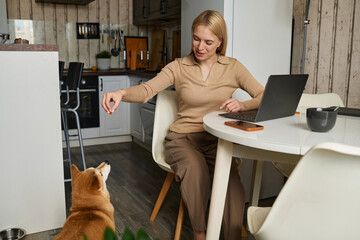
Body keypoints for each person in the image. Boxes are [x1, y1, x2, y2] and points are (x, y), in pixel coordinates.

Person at [102, 10, 264, 240]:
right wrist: (121, 92)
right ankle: (200, 233)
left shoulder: (233, 67)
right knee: (195, 171)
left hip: (217, 140)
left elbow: (262, 94)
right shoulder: (178, 66)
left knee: (231, 188)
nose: (200, 46)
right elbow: (147, 89)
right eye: (196, 38)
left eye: (208, 42)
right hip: (183, 139)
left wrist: (242, 104)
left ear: (220, 42)